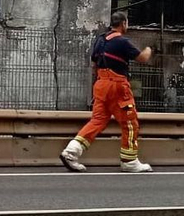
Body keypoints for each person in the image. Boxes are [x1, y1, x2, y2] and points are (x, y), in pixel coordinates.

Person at [61, 11, 155, 174]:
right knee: (130, 123)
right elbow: (142, 58)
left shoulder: (100, 40)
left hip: (100, 84)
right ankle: (130, 161)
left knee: (97, 121)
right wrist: (149, 48)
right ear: (124, 23)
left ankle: (71, 152)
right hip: (117, 86)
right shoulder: (122, 41)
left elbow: (94, 64)